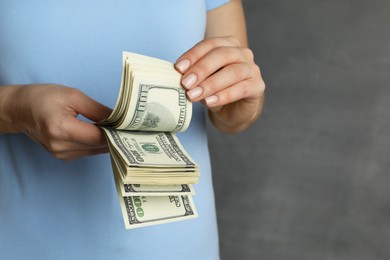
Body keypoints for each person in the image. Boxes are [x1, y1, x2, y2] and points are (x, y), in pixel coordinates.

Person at [0, 0, 265, 259]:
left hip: (175, 246)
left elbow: (234, 111)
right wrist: (13, 109)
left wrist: (239, 106)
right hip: (24, 242)